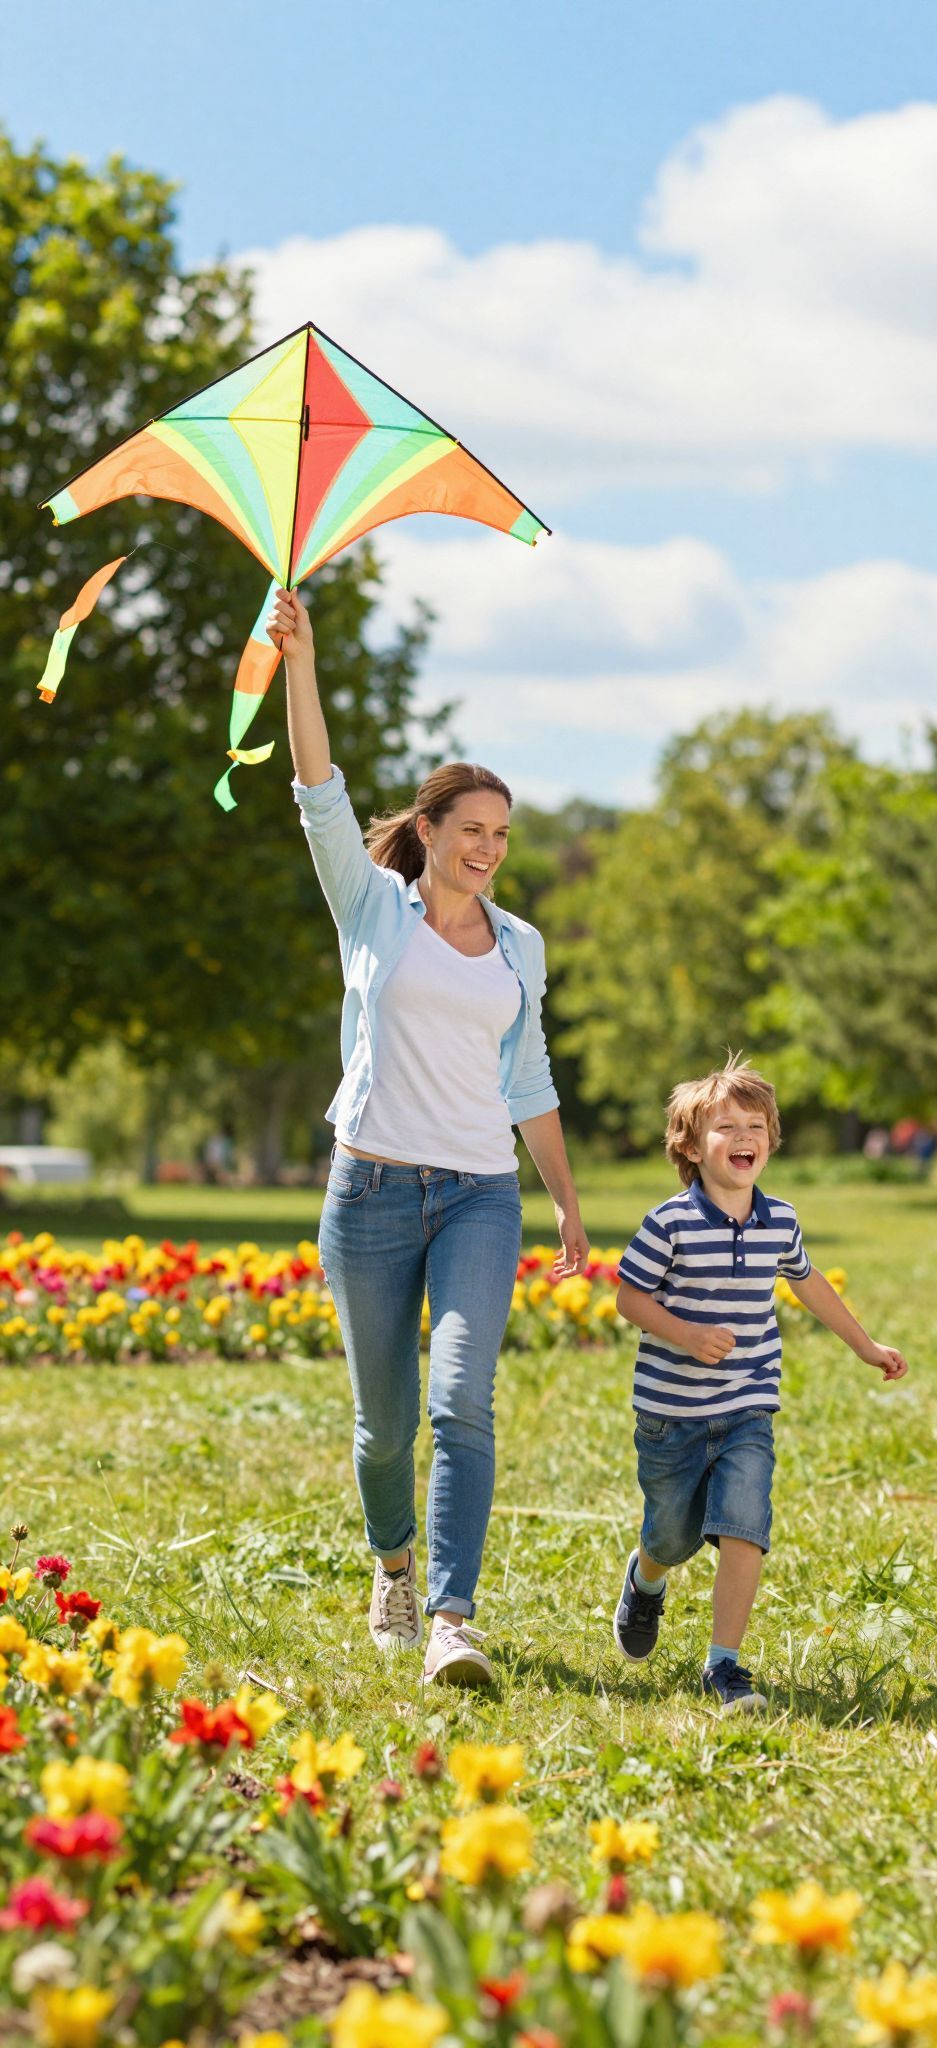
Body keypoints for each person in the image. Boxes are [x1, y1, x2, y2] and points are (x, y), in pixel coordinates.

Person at [271, 587, 588, 1689]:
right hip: (367, 1191)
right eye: (473, 832)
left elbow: (529, 1076)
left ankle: (451, 1615)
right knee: (385, 1426)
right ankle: (393, 1566)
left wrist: (564, 1198)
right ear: (433, 831)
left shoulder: (520, 947)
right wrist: (296, 662)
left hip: (476, 1196)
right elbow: (319, 789)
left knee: (463, 1396)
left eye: (503, 835)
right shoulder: (375, 909)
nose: (489, 851)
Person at [612, 1057, 909, 1713]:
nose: (744, 1136)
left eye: (755, 1125)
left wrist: (865, 1346)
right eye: (725, 1127)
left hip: (747, 1407)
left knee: (745, 1526)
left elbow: (808, 1285)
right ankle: (647, 1579)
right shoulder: (670, 1223)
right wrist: (686, 1334)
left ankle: (725, 1667)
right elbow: (630, 1299)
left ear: (771, 1141)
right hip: (672, 1415)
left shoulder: (781, 1221)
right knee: (671, 1536)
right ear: (690, 1147)